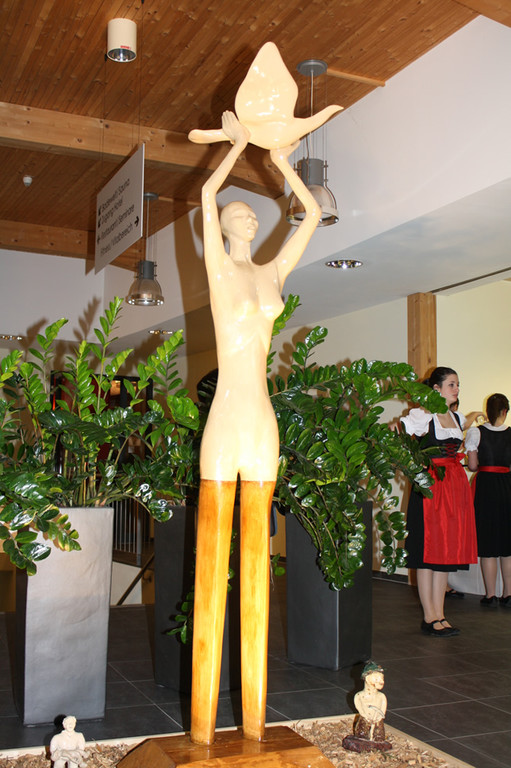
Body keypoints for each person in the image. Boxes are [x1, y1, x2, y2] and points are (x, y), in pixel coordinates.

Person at [188, 109, 322, 746]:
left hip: (260, 418)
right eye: (237, 214)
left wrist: (283, 164)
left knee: (256, 569)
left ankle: (255, 727)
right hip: (224, 421)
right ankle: (200, 730)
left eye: (250, 214)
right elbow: (206, 192)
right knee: (212, 565)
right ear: (222, 228)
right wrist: (236, 146)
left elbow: (312, 216)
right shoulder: (220, 270)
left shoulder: (271, 274)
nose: (247, 217)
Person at [401, 367, 477, 636]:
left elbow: (466, 429)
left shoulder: (455, 417)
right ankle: (429, 616)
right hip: (431, 489)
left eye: (457, 384)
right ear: (437, 389)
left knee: (445, 553)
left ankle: (441, 614)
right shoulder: (423, 416)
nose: (456, 389)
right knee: (427, 552)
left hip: (453, 487)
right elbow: (397, 433)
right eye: (451, 384)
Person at [466, 393, 511, 607]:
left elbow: (473, 466)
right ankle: (508, 594)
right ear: (504, 411)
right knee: (507, 545)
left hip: (485, 488)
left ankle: (490, 595)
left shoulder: (476, 432)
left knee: (489, 545)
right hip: (507, 487)